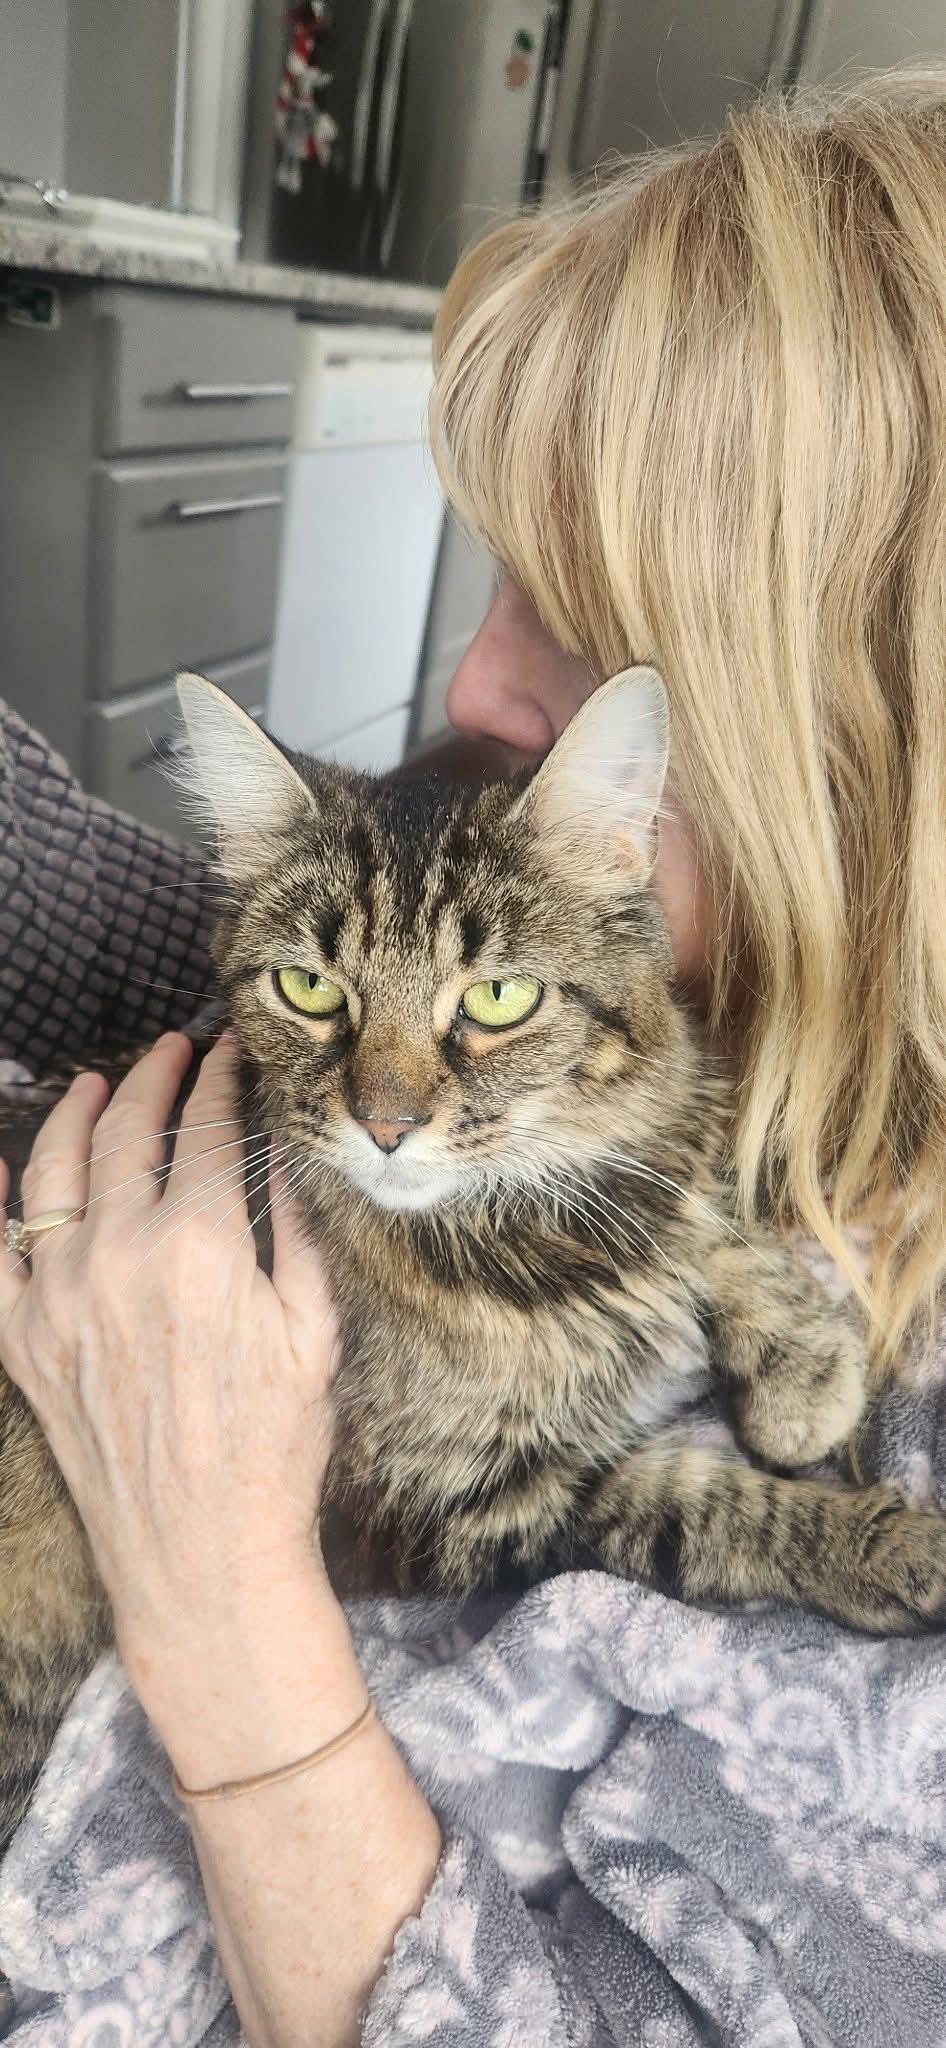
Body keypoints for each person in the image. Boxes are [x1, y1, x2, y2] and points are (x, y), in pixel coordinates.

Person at [2, 67, 946, 2048]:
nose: (473, 685)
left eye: (583, 622)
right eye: (496, 567)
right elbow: (249, 981)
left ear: (878, 743)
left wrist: (208, 1580)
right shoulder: (659, 970)